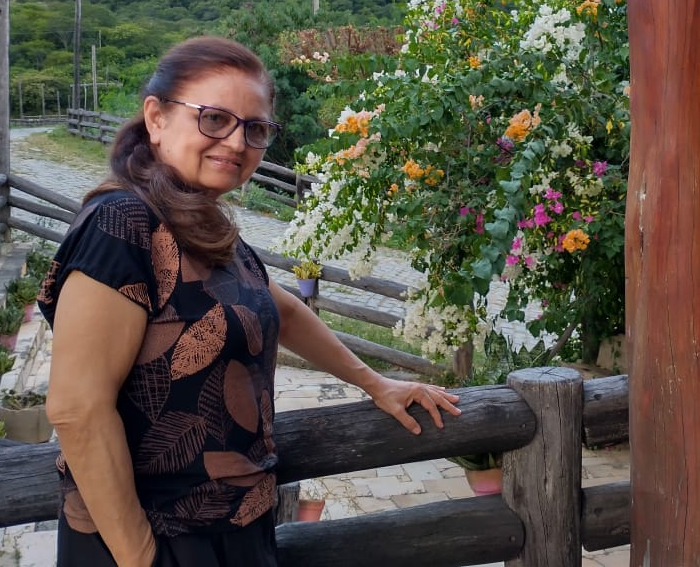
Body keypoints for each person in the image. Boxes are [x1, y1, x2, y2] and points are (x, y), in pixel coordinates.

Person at [38, 36, 460, 567]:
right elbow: (78, 409)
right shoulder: (121, 224)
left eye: (254, 128)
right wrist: (139, 556)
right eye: (214, 119)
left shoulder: (202, 224)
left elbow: (280, 308)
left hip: (235, 530)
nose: (237, 142)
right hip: (157, 540)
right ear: (156, 118)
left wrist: (376, 383)